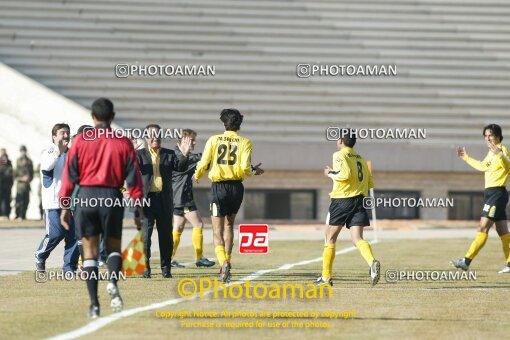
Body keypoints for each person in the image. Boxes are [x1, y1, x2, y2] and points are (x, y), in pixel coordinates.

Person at [59, 98, 144, 318]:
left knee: (89, 252)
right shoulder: (122, 141)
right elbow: (134, 177)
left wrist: (65, 206)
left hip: (87, 197)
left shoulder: (80, 141)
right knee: (114, 246)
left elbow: (70, 175)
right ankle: (113, 281)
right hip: (111, 197)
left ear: (93, 117)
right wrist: (138, 207)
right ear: (112, 117)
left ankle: (94, 304)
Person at [193, 109, 264, 283]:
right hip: (236, 188)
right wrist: (256, 171)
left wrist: (197, 174)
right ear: (239, 124)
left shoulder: (214, 139)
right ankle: (228, 261)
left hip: (219, 187)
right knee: (230, 226)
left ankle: (223, 262)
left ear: (223, 123)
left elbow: (203, 163)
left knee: (216, 230)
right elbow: (246, 169)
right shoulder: (245, 142)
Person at [316, 128, 380, 286]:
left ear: (341, 141)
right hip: (359, 200)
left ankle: (326, 277)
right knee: (357, 238)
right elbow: (370, 183)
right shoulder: (361, 159)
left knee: (329, 238)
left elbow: (343, 175)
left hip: (342, 200)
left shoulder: (339, 155)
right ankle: (372, 263)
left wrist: (329, 173)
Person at [452, 124, 510, 273]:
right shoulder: (491, 153)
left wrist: (500, 155)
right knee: (502, 230)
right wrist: (466, 157)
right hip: (491, 194)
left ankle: (466, 261)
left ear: (497, 136)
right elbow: (483, 166)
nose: (487, 138)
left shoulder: (502, 150)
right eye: (485, 136)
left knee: (483, 227)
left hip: (497, 194)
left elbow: (508, 166)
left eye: (490, 135)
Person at [136, 124, 192, 278]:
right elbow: (127, 169)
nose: (156, 138)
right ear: (146, 138)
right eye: (152, 136)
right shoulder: (138, 155)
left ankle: (166, 269)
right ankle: (145, 268)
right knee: (145, 237)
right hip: (145, 202)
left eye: (158, 135)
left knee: (166, 236)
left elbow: (180, 168)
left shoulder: (169, 153)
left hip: (164, 200)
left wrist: (184, 155)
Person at [34, 123, 79, 273]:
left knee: (74, 236)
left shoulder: (73, 154)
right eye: (62, 133)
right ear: (54, 137)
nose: (65, 135)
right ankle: (40, 255)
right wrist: (58, 152)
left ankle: (69, 268)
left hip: (69, 203)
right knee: (56, 233)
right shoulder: (47, 152)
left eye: (67, 133)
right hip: (52, 203)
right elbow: (47, 167)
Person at [171, 129, 215, 268]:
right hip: (183, 198)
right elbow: (201, 159)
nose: (195, 142)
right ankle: (199, 258)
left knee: (178, 227)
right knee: (198, 224)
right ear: (184, 140)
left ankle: (169, 258)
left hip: (177, 197)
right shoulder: (181, 156)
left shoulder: (178, 154)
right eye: (192, 139)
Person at [15, 145, 34, 220]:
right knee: (19, 201)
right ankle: (18, 215)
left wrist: (29, 178)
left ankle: (23, 215)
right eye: (22, 151)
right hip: (20, 185)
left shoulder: (30, 161)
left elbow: (32, 174)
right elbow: (15, 175)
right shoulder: (18, 161)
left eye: (24, 150)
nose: (23, 152)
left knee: (26, 201)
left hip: (27, 185)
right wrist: (22, 178)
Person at [0, 148, 14, 219]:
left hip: (7, 186)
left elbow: (11, 176)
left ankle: (6, 214)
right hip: (1, 186)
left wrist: (11, 185)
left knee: (7, 200)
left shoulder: (9, 165)